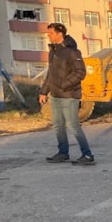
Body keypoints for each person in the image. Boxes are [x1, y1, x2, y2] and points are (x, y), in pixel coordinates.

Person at [39, 23, 95, 166]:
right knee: (58, 125)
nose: (48, 35)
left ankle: (87, 155)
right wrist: (44, 92)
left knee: (73, 126)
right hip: (56, 96)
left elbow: (80, 73)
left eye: (50, 33)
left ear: (60, 34)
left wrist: (64, 85)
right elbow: (50, 74)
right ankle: (63, 153)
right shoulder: (53, 51)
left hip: (69, 95)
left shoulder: (72, 51)